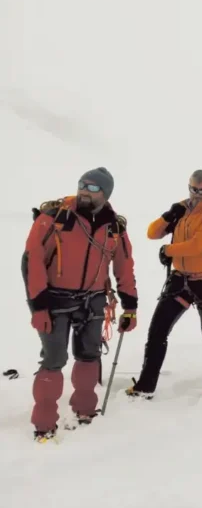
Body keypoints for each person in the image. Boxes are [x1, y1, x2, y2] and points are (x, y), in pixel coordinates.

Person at [22, 168, 138, 442]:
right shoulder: (54, 217)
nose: (85, 190)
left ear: (106, 193)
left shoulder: (114, 226)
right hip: (54, 299)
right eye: (82, 185)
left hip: (94, 299)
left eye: (93, 187)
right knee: (53, 359)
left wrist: (130, 306)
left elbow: (124, 267)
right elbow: (32, 260)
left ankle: (85, 411)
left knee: (89, 354)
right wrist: (38, 306)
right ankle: (44, 424)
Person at [127, 170, 202, 399]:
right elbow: (152, 233)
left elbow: (197, 245)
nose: (198, 194)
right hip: (180, 279)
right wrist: (169, 215)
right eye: (194, 189)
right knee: (157, 332)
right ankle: (145, 387)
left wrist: (168, 250)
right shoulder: (183, 209)